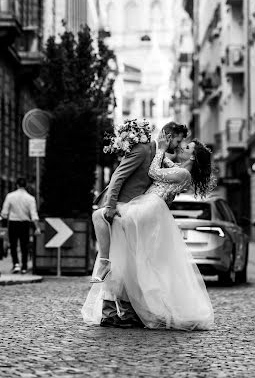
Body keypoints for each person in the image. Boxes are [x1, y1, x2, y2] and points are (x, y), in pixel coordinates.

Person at [81, 131, 215, 331]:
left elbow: (154, 172)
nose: (182, 147)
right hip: (148, 206)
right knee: (128, 253)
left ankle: (105, 262)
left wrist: (160, 149)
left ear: (193, 157)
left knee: (100, 216)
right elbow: (162, 163)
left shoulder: (183, 174)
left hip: (148, 207)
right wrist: (150, 146)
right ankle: (111, 273)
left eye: (187, 148)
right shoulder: (180, 170)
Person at [91, 121, 188, 283]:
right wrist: (110, 205)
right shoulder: (143, 149)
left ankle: (119, 304)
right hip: (120, 207)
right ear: (168, 137)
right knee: (100, 222)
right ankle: (105, 265)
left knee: (127, 262)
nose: (178, 147)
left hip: (135, 214)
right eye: (178, 142)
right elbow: (118, 176)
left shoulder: (159, 156)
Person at [1, 178, 41, 274]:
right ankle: (24, 266)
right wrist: (37, 227)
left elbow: (4, 213)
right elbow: (34, 214)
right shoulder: (30, 198)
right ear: (26, 185)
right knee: (24, 245)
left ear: (17, 185)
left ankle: (16, 264)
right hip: (25, 223)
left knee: (13, 245)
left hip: (13, 222)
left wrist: (5, 218)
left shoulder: (10, 196)